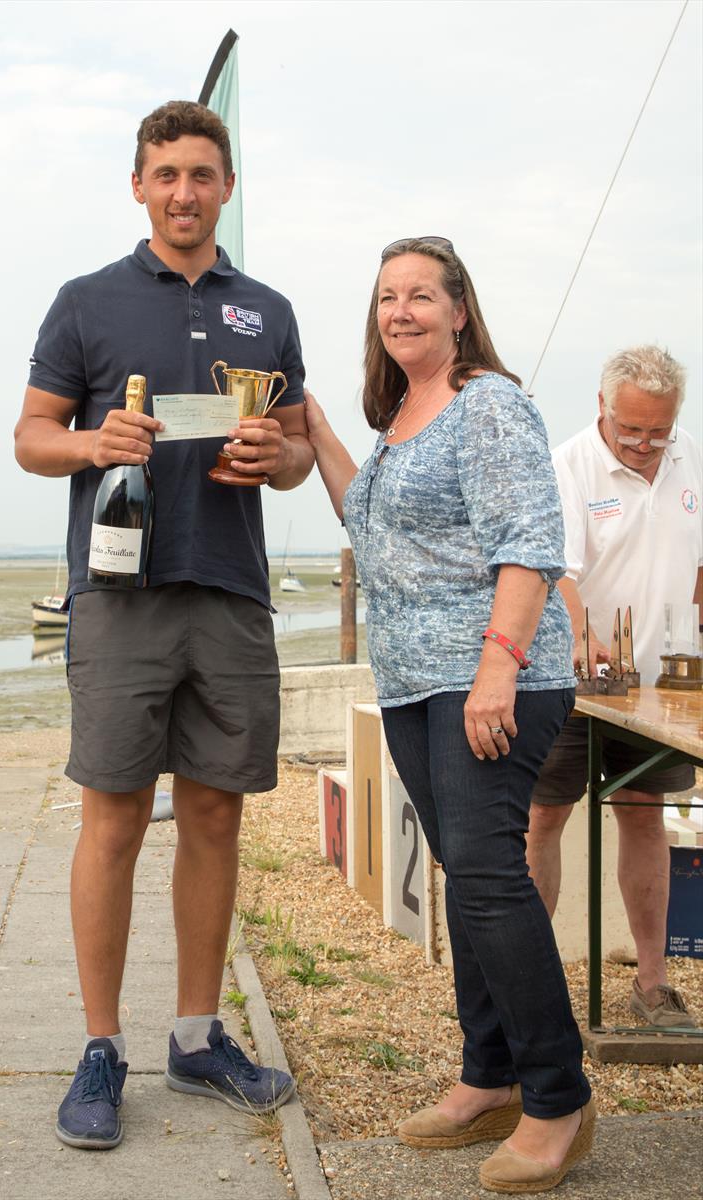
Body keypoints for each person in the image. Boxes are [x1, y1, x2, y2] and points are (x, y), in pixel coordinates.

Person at [14, 100, 314, 1149]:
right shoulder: (85, 301)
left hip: (229, 590)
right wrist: (95, 441)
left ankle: (196, 1038)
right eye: (164, 174)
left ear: (225, 185)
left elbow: (295, 449)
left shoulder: (265, 310)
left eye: (200, 173)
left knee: (218, 819)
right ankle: (101, 1047)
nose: (183, 191)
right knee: (111, 820)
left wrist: (269, 460)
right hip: (118, 597)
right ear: (137, 187)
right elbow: (30, 438)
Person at [304, 236, 594, 1194]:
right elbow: (373, 528)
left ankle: (558, 1100)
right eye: (387, 297)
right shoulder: (399, 421)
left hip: (492, 677)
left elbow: (530, 547)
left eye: (421, 295)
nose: (401, 311)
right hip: (414, 687)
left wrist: (497, 671)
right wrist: (316, 432)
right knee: (466, 878)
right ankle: (489, 1075)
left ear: (460, 309)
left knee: (487, 874)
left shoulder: (490, 406)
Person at [527, 345, 702, 1029]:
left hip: (659, 685)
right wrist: (578, 638)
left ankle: (653, 985)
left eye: (657, 431)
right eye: (631, 430)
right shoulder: (568, 465)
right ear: (603, 408)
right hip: (570, 685)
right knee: (544, 816)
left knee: (643, 812)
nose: (644, 445)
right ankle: (534, 987)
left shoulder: (689, 455)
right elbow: (557, 571)